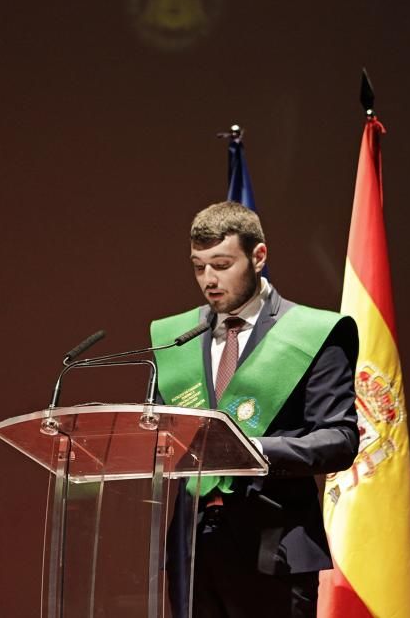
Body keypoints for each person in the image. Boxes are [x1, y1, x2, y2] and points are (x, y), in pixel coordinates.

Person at [150, 201, 359, 617]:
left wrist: (254, 450)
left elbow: (339, 438)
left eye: (222, 264)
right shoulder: (179, 338)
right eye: (198, 266)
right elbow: (162, 431)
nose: (209, 280)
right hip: (193, 548)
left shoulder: (312, 333)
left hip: (273, 546)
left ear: (258, 257)